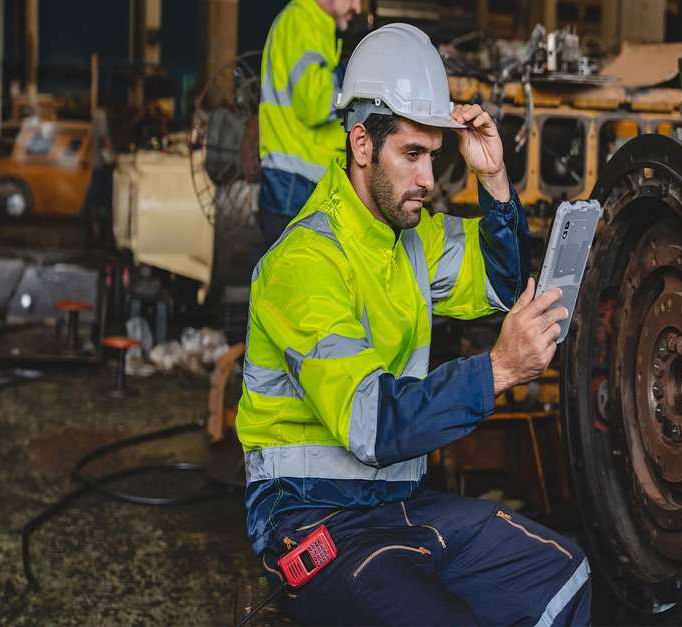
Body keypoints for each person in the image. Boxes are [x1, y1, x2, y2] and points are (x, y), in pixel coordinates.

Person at [237, 23, 591, 626]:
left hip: (399, 506)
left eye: (434, 154)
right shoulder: (304, 264)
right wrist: (500, 369)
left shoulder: (410, 236)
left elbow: (498, 286)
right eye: (412, 154)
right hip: (313, 520)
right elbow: (374, 424)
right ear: (361, 145)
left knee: (563, 575)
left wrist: (496, 182)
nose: (429, 180)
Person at [256, 0, 361, 252]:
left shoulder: (316, 26)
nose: (357, 7)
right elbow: (314, 104)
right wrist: (354, 77)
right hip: (293, 184)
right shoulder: (300, 23)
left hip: (296, 182)